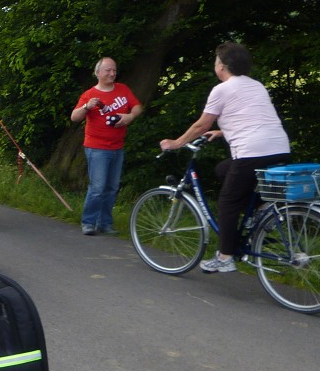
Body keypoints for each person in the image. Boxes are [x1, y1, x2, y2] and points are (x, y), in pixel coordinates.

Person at [160, 42, 290, 272]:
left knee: (227, 203)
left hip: (251, 152)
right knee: (222, 169)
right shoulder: (256, 85)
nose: (215, 66)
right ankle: (262, 208)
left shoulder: (222, 89)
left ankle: (225, 256)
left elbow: (201, 124)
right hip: (278, 147)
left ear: (223, 66)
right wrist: (223, 131)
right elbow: (252, 117)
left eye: (216, 62)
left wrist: (177, 143)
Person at [71, 57, 143, 235]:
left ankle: (104, 223)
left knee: (112, 187)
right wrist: (87, 106)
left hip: (117, 146)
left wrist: (129, 117)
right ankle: (88, 222)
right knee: (97, 187)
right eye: (108, 70)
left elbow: (137, 107)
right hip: (97, 148)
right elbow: (74, 117)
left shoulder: (123, 89)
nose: (112, 73)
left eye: (114, 70)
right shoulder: (89, 94)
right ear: (98, 73)